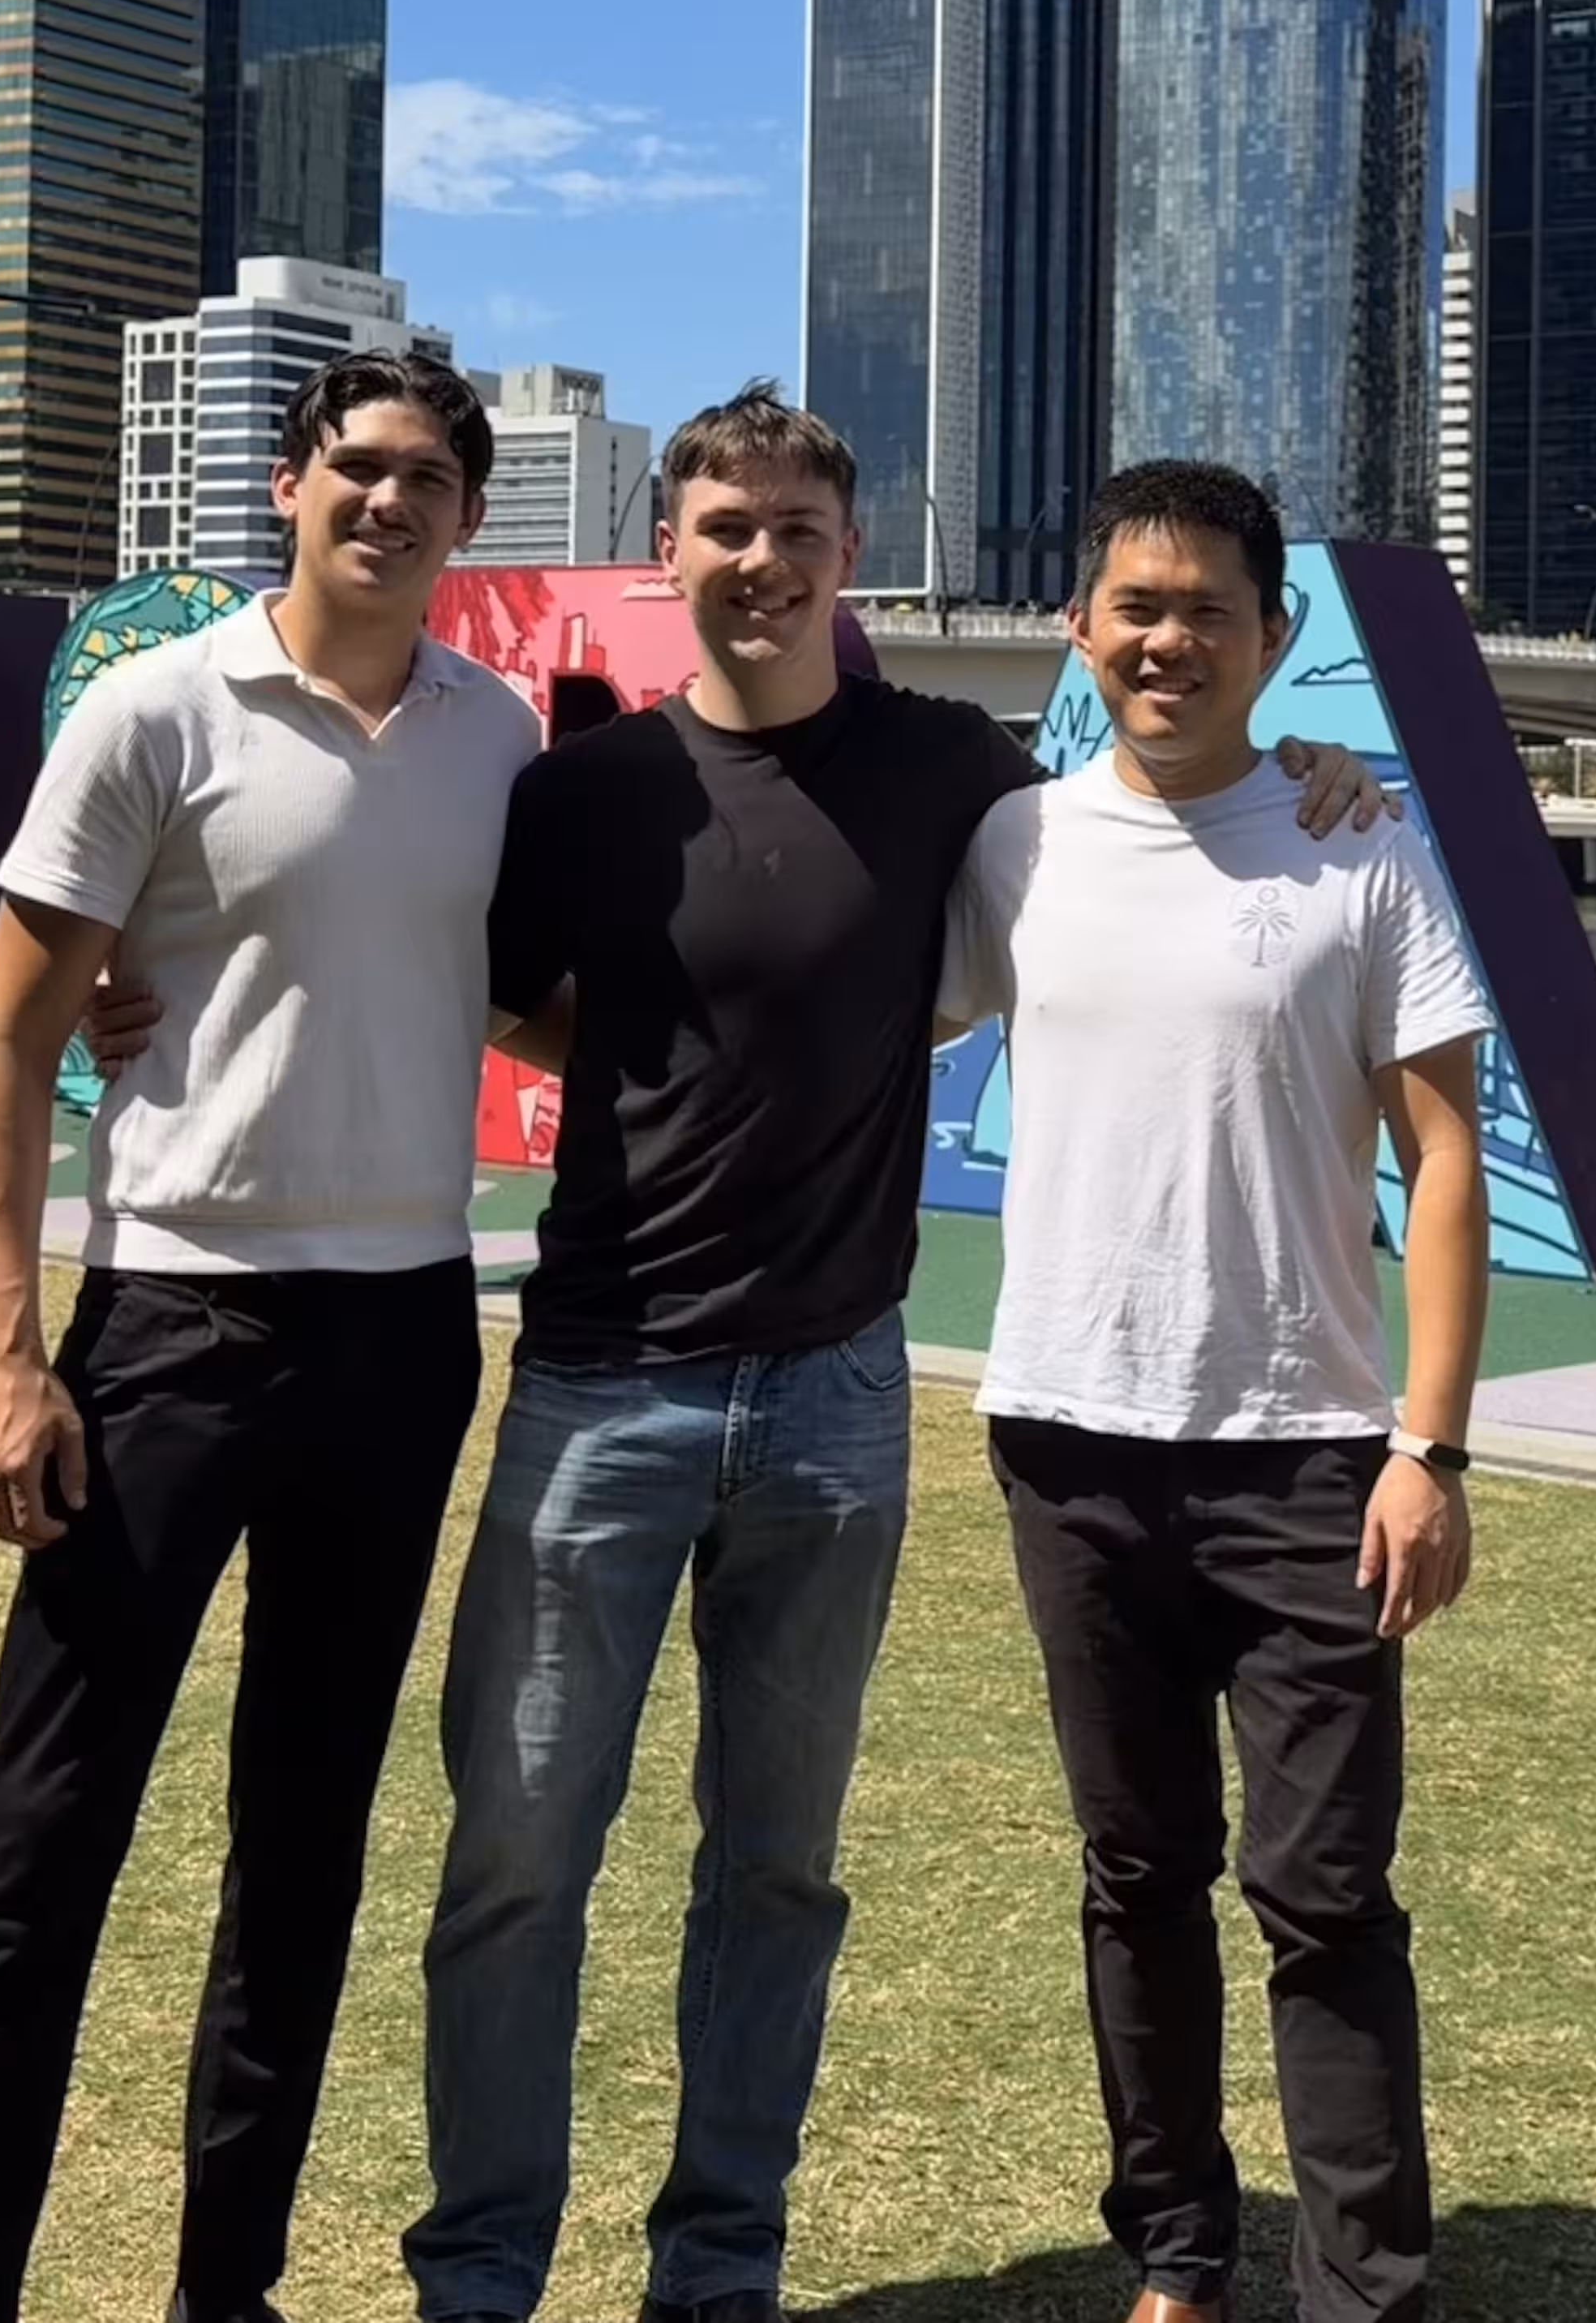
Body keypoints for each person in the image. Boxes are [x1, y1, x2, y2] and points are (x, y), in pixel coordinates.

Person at [403, 388, 1381, 2323]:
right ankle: (483, 2276)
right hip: (601, 1379)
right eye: (721, 529)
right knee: (517, 1857)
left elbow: (1164, 821)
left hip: (840, 1401)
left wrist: (1317, 769)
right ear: (668, 552)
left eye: (794, 531)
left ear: (849, 558)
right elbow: (510, 1008)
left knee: (777, 1869)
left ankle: (720, 2275)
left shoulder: (960, 774)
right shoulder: (578, 793)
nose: (757, 562)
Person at [0, 348, 546, 2323]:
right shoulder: (152, 713)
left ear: (466, 518)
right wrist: (8, 1354)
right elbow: (10, 1039)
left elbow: (513, 999)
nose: (390, 503)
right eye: (359, 467)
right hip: (170, 1329)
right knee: (46, 1851)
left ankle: (226, 2293)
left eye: (430, 480)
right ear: (288, 483)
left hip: (406, 1336)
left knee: (303, 1849)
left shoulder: (496, 739)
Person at [946, 458, 1494, 2323]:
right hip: (1069, 1450)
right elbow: (804, 994)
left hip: (1310, 1462)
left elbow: (1444, 1163)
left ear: (1274, 638)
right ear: (1082, 630)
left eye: (1205, 609)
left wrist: (1430, 1447)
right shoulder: (1012, 846)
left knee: (1326, 1898)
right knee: (1136, 1873)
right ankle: (1178, 2256)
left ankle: (1364, 2292)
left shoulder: (1358, 845)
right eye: (1134, 605)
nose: (1166, 637)